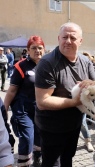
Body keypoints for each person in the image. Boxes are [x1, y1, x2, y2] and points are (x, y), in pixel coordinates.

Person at [34, 22, 95, 167]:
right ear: (58, 39)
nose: (68, 41)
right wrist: (75, 102)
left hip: (74, 124)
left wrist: (94, 84)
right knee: (52, 163)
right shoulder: (47, 63)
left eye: (73, 37)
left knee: (68, 159)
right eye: (64, 37)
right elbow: (42, 101)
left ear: (81, 41)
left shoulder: (85, 61)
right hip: (51, 128)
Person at [4, 35, 45, 167]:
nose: (37, 51)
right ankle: (24, 163)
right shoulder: (21, 66)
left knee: (39, 135)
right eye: (33, 48)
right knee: (27, 137)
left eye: (40, 48)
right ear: (28, 50)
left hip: (41, 109)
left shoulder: (47, 66)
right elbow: (11, 90)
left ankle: (37, 157)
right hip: (23, 109)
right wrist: (4, 108)